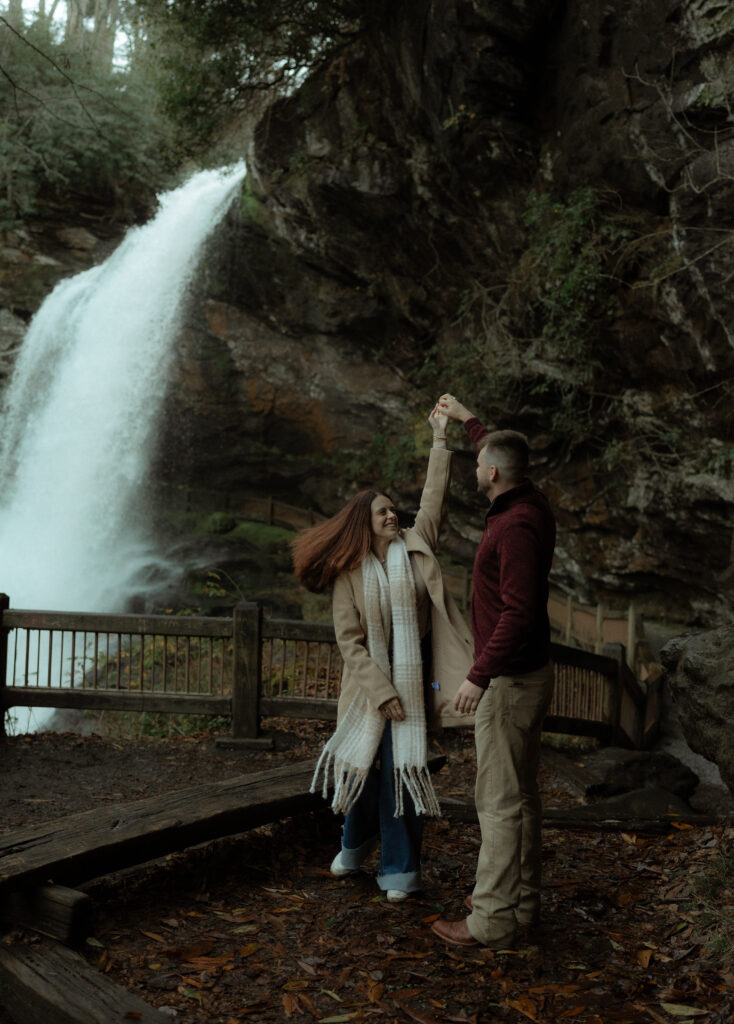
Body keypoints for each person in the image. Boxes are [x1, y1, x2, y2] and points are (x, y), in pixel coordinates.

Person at [292, 404, 474, 901]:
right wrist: (381, 692)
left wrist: (440, 441)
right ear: (364, 523)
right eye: (383, 511)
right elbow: (349, 642)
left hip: (416, 684)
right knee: (364, 768)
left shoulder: (417, 546)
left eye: (395, 508)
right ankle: (355, 841)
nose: (393, 514)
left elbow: (434, 499)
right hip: (370, 687)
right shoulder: (349, 574)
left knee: (404, 769)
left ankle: (398, 870)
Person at [430, 393, 556, 949]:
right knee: (522, 797)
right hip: (524, 677)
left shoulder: (516, 528)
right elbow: (494, 445)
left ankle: (491, 919)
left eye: (479, 462)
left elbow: (519, 611)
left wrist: (478, 675)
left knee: (499, 804)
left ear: (494, 474)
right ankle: (521, 904)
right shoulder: (525, 501)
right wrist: (465, 419)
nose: (475, 464)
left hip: (508, 685)